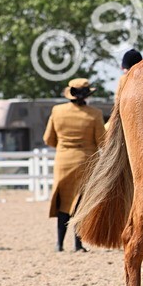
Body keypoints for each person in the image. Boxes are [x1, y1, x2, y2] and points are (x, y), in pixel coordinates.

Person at [44, 77, 105, 252]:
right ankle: (78, 244)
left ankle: (59, 243)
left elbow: (48, 139)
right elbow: (102, 141)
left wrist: (64, 147)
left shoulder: (57, 111)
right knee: (81, 202)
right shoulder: (95, 114)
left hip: (63, 160)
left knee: (64, 201)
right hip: (86, 162)